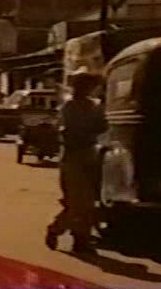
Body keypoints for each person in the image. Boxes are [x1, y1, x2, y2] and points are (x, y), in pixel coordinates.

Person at [45, 67, 105, 254]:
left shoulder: (95, 106)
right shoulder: (69, 107)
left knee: (88, 203)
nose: (85, 88)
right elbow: (67, 131)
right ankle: (57, 229)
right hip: (72, 158)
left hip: (89, 155)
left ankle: (81, 240)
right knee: (77, 203)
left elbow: (102, 126)